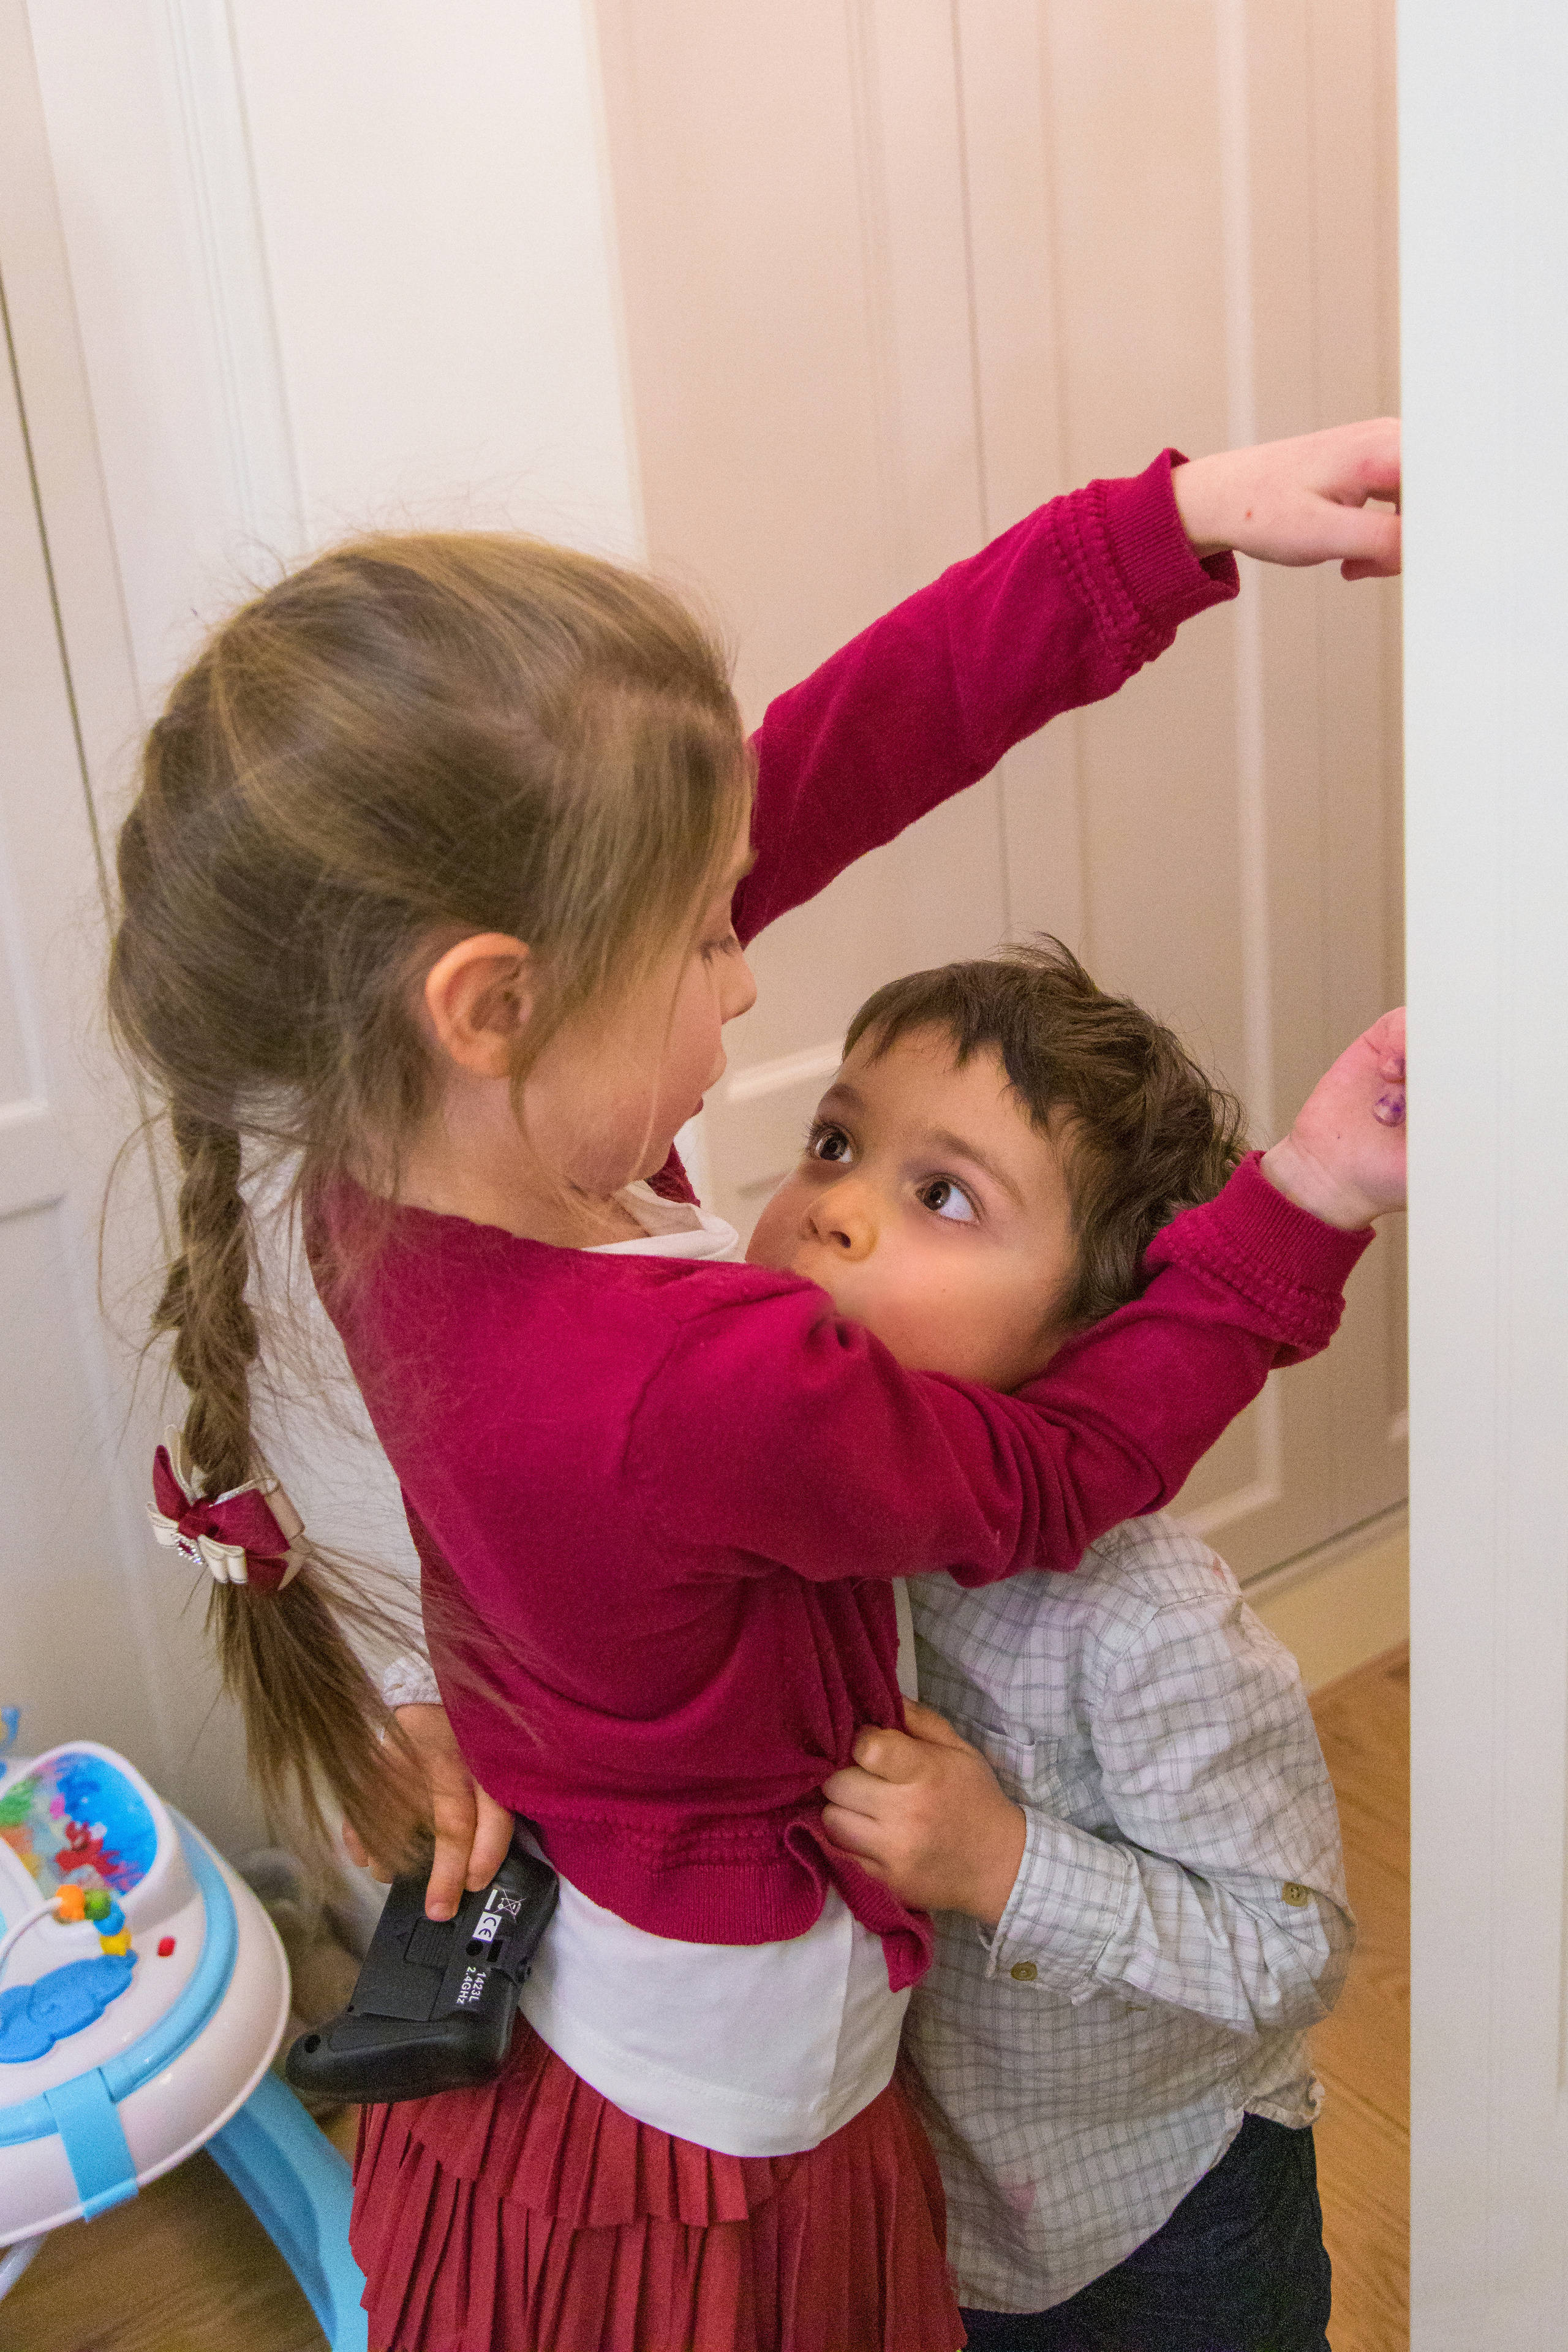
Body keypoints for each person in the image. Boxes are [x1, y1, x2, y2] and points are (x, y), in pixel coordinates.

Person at [108, 424, 1400, 2352]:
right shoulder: (701, 1381)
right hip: (749, 2096)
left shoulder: (389, 1177)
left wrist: (1165, 528)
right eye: (712, 931)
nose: (746, 977)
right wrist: (1305, 1198)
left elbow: (833, 760)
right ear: (492, 1002)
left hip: (603, 1995)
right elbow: (1058, 1475)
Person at [785, 943, 1400, 2352]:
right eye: (833, 1143)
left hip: (1167, 2203)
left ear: (1089, 1332)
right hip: (946, 2191)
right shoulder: (798, 1502)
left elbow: (1288, 1953)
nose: (833, 1210)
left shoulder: (1146, 1622)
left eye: (942, 1194)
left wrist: (1002, 1862)